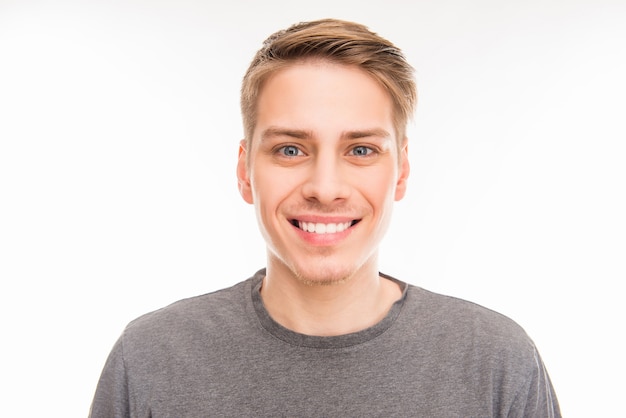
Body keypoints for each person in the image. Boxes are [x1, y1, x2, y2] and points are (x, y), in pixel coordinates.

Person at [89, 18, 561, 417]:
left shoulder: (497, 364)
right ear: (244, 171)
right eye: (290, 149)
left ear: (402, 171)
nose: (325, 188)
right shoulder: (151, 360)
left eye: (361, 149)